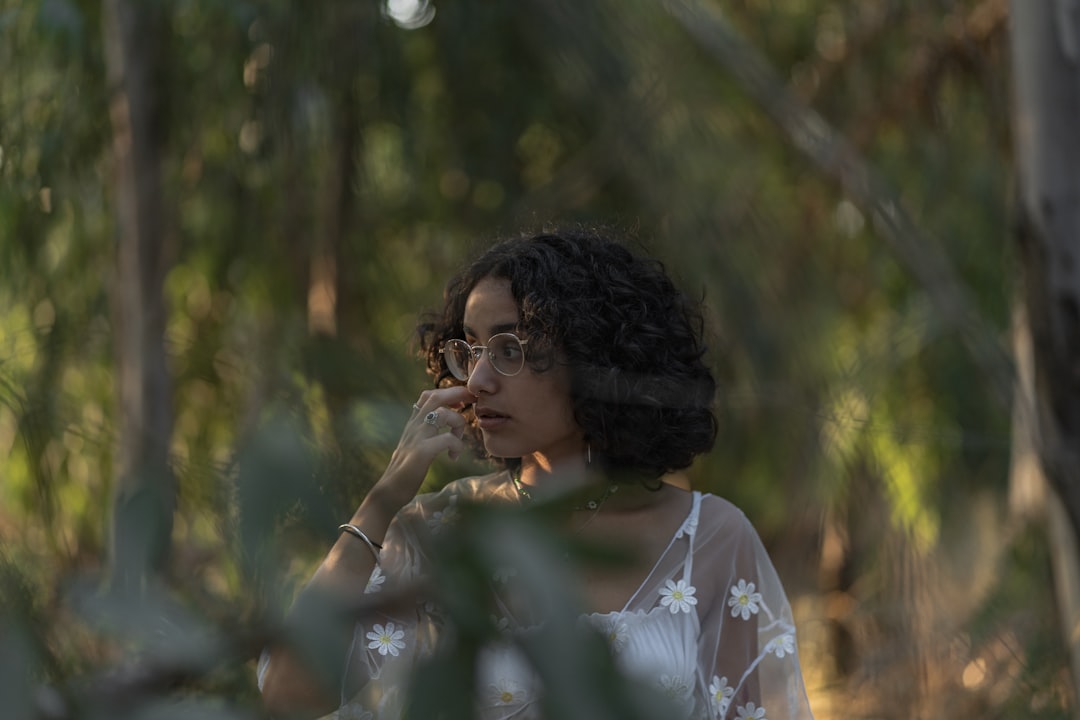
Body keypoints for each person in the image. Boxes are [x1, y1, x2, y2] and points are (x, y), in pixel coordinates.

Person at [259, 228, 815, 719]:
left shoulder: (712, 539)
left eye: (509, 349)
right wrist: (384, 499)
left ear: (597, 356)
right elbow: (286, 696)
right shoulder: (436, 531)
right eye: (471, 349)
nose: (477, 380)